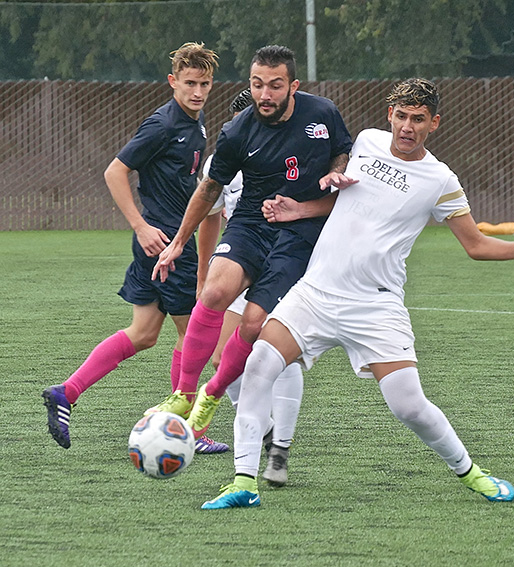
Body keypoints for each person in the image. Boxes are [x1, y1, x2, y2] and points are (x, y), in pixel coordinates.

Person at [200, 77, 514, 509]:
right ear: (388, 115)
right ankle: (244, 482)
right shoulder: (366, 143)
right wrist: (300, 209)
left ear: (435, 123)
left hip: (375, 305)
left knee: (408, 406)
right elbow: (341, 197)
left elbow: (474, 244)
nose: (407, 127)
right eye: (401, 116)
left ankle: (472, 473)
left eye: (418, 119)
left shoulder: (440, 180)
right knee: (259, 363)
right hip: (316, 292)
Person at [147, 46, 353, 457]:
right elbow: (209, 190)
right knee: (213, 293)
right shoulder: (238, 131)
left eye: (275, 86)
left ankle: (213, 393)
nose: (265, 94)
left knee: (255, 323)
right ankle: (186, 393)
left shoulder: (323, 113)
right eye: (257, 84)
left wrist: (336, 169)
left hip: (298, 232)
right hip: (251, 223)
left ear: (293, 86)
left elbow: (341, 150)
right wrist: (177, 244)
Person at [42, 42, 228, 454]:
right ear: (172, 82)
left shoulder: (194, 124)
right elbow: (115, 171)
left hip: (161, 243)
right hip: (165, 244)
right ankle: (188, 432)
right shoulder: (163, 125)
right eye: (189, 83)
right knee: (193, 336)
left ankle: (65, 393)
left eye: (204, 83)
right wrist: (142, 226)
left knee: (143, 333)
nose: (197, 91)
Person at [194, 88, 304, 481]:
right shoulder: (224, 157)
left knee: (277, 351)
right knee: (222, 355)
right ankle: (267, 430)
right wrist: (204, 273)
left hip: (283, 258)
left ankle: (280, 449)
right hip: (242, 256)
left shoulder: (293, 151)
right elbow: (211, 214)